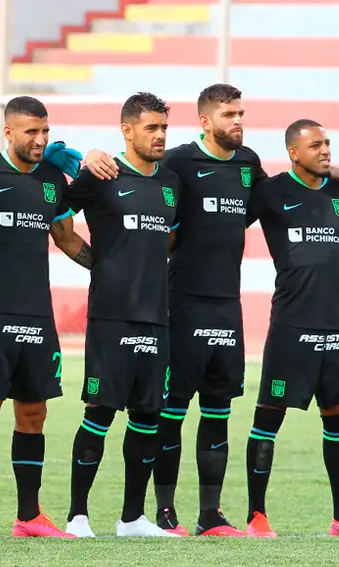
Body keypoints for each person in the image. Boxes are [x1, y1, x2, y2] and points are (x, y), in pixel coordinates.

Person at [81, 84, 262, 537]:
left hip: (228, 306)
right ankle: (162, 512)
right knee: (167, 411)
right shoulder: (176, 163)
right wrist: (85, 155)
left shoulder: (248, 164)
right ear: (205, 121)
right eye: (228, 114)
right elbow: (124, 193)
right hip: (177, 305)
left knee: (219, 409)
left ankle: (211, 515)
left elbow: (273, 203)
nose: (237, 121)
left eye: (241, 113)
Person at [0, 96, 89, 539]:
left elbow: (68, 240)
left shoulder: (53, 180)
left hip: (37, 313)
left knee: (34, 414)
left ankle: (29, 516)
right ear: (8, 132)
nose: (40, 140)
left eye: (45, 131)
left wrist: (110, 270)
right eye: (31, 132)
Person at [64, 92, 180, 538]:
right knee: (100, 411)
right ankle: (77, 517)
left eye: (164, 128)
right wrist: (99, 262)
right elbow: (59, 219)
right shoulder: (101, 174)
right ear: (127, 130)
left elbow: (169, 237)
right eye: (151, 128)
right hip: (112, 316)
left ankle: (133, 517)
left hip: (157, 316)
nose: (159, 136)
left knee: (147, 416)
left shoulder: (171, 183)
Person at [242, 119, 339, 538]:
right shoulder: (271, 192)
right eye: (316, 145)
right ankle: (257, 516)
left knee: (336, 422)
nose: (325, 150)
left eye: (328, 144)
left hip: (335, 331)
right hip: (291, 328)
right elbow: (224, 223)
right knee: (268, 419)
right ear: (293, 152)